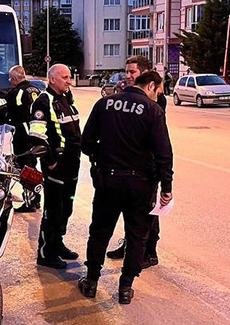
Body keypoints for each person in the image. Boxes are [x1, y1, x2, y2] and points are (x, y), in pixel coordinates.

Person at [79, 70, 173, 304]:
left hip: (108, 181)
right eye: (159, 92)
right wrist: (166, 187)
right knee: (137, 237)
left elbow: (86, 143)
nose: (157, 96)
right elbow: (164, 154)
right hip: (140, 185)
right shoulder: (153, 111)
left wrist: (104, 156)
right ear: (151, 86)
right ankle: (125, 287)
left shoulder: (104, 103)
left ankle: (91, 282)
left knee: (100, 232)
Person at [107, 55, 166, 265]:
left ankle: (149, 252)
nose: (129, 76)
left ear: (145, 73)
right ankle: (130, 246)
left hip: (147, 166)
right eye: (127, 72)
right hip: (128, 166)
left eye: (133, 72)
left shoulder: (155, 97)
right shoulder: (127, 93)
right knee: (131, 213)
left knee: (149, 212)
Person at [28, 64, 81, 269]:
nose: (69, 81)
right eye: (65, 77)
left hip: (72, 165)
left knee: (66, 208)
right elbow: (36, 136)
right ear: (52, 79)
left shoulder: (66, 99)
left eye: (69, 77)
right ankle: (46, 253)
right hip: (56, 168)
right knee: (54, 210)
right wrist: (51, 163)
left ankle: (57, 243)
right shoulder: (43, 101)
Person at [4, 65, 42, 213]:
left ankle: (30, 202)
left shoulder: (16, 92)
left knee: (25, 168)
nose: (10, 81)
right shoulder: (34, 89)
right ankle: (35, 199)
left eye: (10, 79)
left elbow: (11, 112)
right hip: (36, 133)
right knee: (32, 166)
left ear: (14, 78)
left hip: (22, 134)